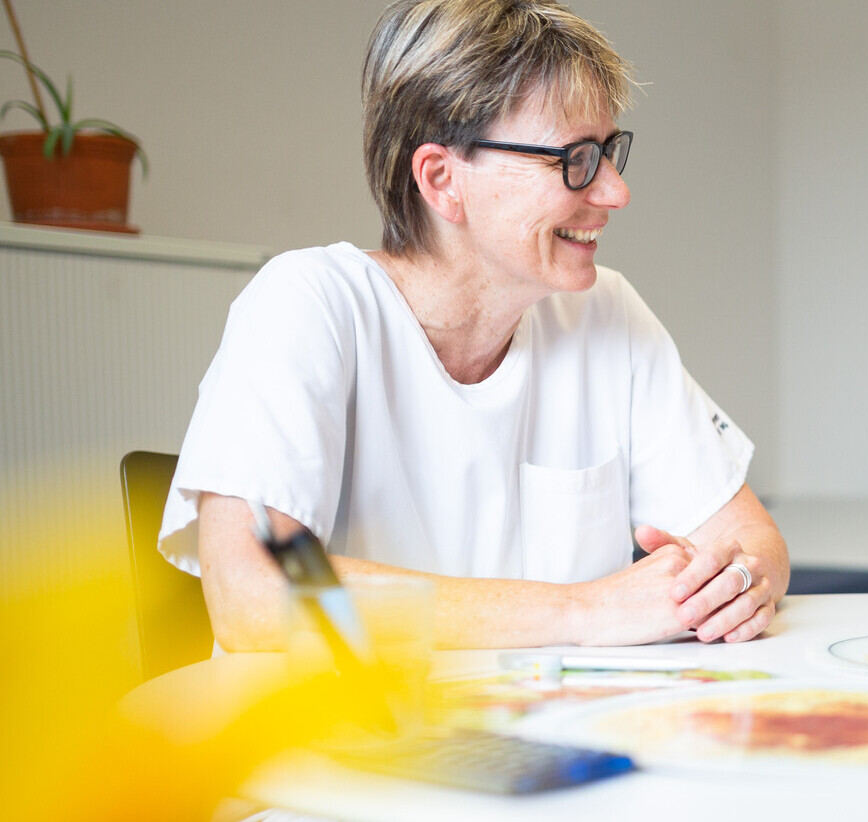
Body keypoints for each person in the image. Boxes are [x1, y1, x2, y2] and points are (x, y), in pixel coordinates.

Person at [158, 0, 787, 651]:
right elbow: (255, 595)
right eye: (575, 158)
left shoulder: (608, 313)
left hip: (556, 733)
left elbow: (753, 539)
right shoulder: (306, 306)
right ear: (441, 179)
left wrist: (735, 584)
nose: (613, 192)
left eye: (607, 151)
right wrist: (581, 612)